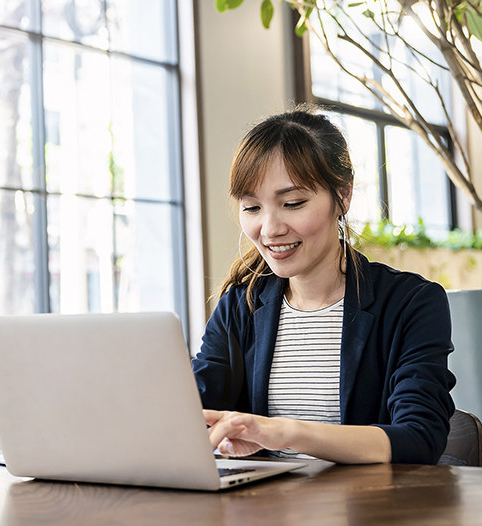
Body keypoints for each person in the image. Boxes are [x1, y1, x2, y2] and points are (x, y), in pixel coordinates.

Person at [192, 107, 455, 465]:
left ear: (342, 196)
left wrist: (285, 432)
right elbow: (193, 410)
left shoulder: (410, 303)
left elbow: (419, 437)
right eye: (252, 207)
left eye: (293, 203)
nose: (269, 229)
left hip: (369, 511)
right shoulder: (242, 305)